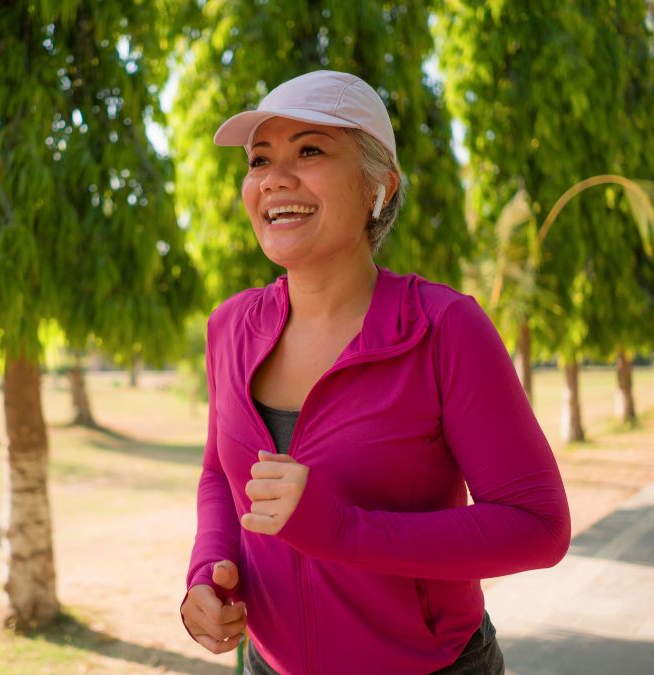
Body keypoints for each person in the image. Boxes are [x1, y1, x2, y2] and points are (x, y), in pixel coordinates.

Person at [179, 70, 571, 674]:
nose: (275, 178)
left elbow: (539, 527)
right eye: (259, 160)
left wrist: (343, 531)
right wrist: (209, 574)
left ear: (378, 187)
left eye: (310, 150)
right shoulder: (229, 327)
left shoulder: (445, 328)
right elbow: (220, 476)